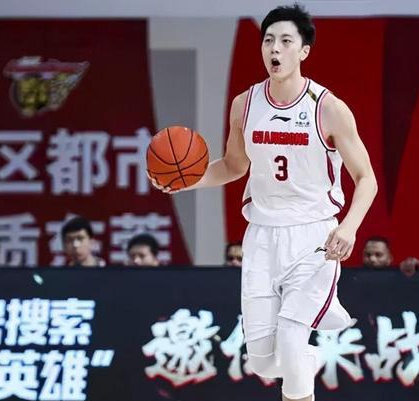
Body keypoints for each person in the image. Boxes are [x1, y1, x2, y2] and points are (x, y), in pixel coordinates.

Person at [150, 4, 377, 401]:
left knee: (290, 338)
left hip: (314, 236)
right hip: (261, 237)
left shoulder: (328, 108)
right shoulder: (245, 104)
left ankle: (300, 363)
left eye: (286, 41)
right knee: (263, 363)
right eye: (268, 40)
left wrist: (349, 227)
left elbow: (366, 178)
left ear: (304, 51)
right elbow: (233, 166)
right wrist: (185, 181)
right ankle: (305, 361)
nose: (275, 48)